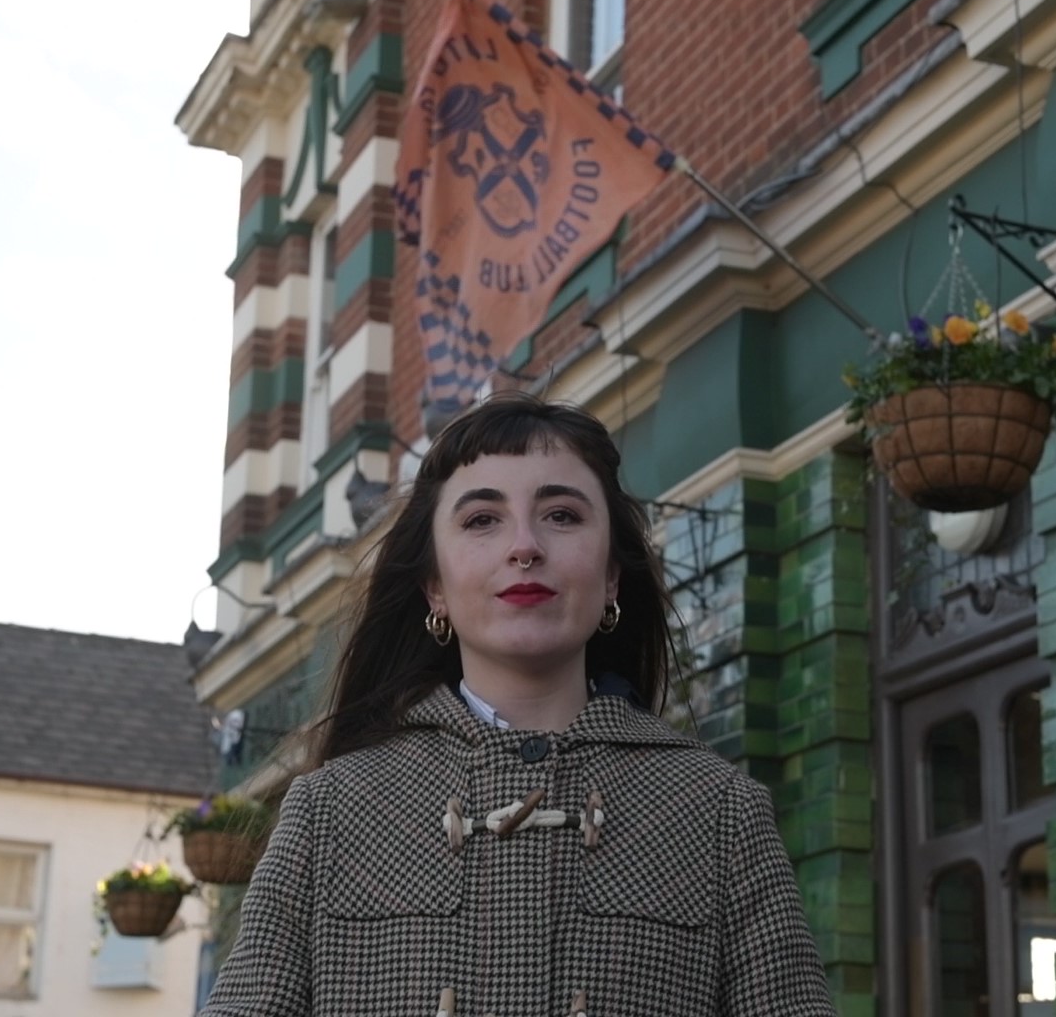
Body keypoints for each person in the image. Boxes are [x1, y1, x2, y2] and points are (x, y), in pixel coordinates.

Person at [199, 394, 834, 1017]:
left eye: (562, 515)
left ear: (613, 576)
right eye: (482, 520)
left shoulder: (718, 812)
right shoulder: (331, 809)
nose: (525, 545)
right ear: (434, 587)